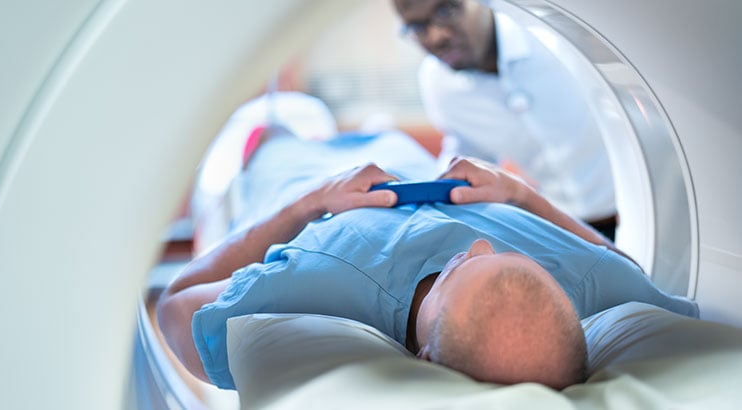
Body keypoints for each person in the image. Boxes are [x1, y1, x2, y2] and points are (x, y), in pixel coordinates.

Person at [157, 124, 697, 392]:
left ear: (424, 361)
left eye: (460, 269)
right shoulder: (591, 280)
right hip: (409, 159)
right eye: (507, 257)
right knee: (384, 131)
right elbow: (626, 264)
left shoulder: (312, 287)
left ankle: (274, 135)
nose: (478, 245)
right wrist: (517, 194)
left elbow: (174, 305)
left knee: (271, 137)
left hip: (295, 174)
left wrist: (312, 200)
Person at [391, 0, 618, 239]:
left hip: (640, 207)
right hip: (563, 226)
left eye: (447, 10)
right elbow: (468, 154)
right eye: (417, 27)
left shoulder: (556, 39)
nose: (436, 37)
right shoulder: (438, 83)